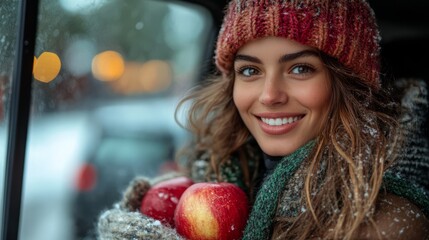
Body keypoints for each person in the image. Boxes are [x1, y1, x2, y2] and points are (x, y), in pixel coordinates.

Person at [97, 0, 429, 239]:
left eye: (300, 68)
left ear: (348, 86)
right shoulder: (221, 169)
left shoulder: (386, 220)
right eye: (250, 70)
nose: (269, 95)